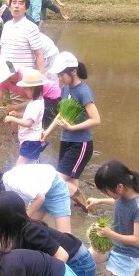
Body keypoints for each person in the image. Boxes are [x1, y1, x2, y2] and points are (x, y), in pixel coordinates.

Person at [0, 191, 96, 276]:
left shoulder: (31, 231)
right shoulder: (17, 233)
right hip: (70, 260)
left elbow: (62, 255)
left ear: (6, 219)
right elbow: (5, 265)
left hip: (79, 263)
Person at [85, 160, 139, 276]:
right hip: (112, 246)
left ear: (119, 187)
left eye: (106, 191)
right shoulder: (124, 194)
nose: (107, 195)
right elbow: (118, 201)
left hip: (127, 255)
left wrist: (110, 234)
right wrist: (99, 200)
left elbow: (137, 240)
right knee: (82, 259)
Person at [42, 51, 100, 209]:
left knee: (58, 180)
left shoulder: (83, 92)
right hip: (66, 140)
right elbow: (62, 113)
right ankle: (80, 210)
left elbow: (96, 119)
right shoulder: (66, 89)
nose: (60, 79)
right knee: (70, 181)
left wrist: (72, 127)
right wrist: (48, 131)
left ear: (73, 72)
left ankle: (84, 205)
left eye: (62, 75)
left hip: (80, 145)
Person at [0, 164, 72, 234]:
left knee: (66, 237)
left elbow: (40, 198)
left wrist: (22, 220)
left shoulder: (11, 181)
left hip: (55, 188)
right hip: (40, 192)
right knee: (25, 231)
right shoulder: (1, 189)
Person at [4, 68, 48, 164]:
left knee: (20, 166)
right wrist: (18, 114)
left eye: (26, 88)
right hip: (30, 140)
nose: (24, 91)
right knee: (31, 165)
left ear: (33, 89)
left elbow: (28, 123)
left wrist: (12, 118)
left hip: (31, 141)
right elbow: (31, 116)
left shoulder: (35, 104)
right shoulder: (37, 101)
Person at [0, 0, 45, 73]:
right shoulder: (6, 26)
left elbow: (39, 55)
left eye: (20, 3)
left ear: (26, 9)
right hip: (5, 76)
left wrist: (41, 77)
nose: (16, 6)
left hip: (24, 78)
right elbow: (3, 51)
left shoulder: (31, 27)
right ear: (9, 7)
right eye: (14, 2)